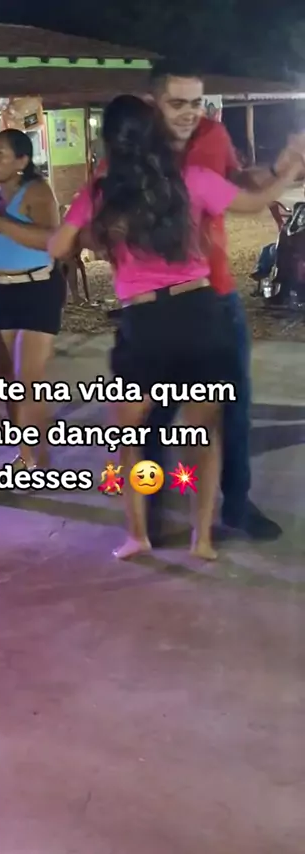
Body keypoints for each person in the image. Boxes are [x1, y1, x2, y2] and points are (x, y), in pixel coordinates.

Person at [48, 95, 304, 561]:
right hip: (199, 312)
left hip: (144, 321)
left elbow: (58, 246)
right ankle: (200, 539)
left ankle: (138, 535)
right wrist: (288, 170)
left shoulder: (101, 192)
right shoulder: (190, 178)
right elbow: (253, 202)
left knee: (128, 434)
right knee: (202, 435)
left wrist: (99, 233)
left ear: (109, 140)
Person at [142, 58, 305, 542]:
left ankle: (235, 504)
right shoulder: (132, 146)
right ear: (153, 102)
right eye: (177, 103)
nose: (189, 112)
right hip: (154, 302)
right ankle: (148, 506)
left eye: (195, 102)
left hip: (217, 295)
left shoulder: (212, 135)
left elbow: (239, 184)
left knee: (233, 406)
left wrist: (281, 167)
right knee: (154, 413)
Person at [0, 129, 65, 471]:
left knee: (29, 378)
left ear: (22, 160)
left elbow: (51, 239)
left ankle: (36, 454)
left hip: (37, 289)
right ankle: (26, 452)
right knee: (7, 379)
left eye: (1, 154)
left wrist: (0, 223)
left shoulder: (37, 191)